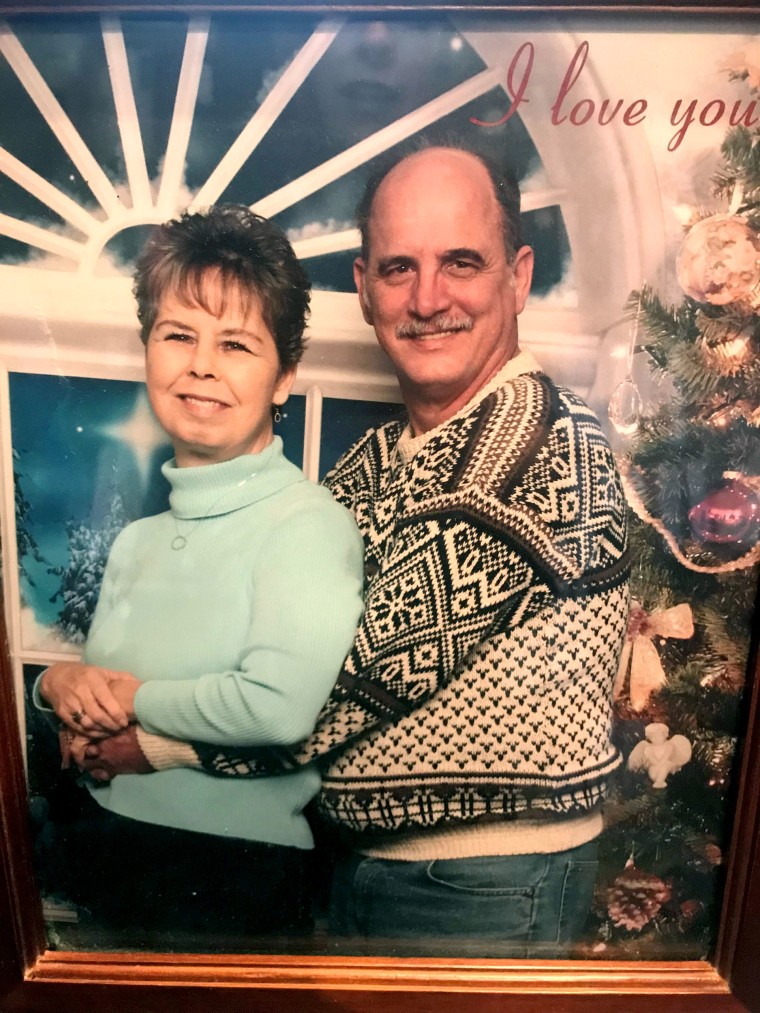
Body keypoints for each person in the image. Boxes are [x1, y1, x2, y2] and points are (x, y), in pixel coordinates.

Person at [73, 147, 631, 953]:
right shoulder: (374, 463)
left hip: (485, 886)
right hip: (368, 867)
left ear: (517, 275)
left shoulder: (534, 447)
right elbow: (283, 651)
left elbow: (338, 693)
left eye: (460, 263)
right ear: (365, 287)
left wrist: (143, 740)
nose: (428, 298)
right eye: (400, 267)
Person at [35, 205, 364, 941]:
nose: (202, 365)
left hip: (229, 881)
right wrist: (55, 685)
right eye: (177, 334)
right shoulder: (139, 540)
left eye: (237, 344)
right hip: (103, 853)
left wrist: (133, 697)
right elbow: (95, 708)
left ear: (285, 377)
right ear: (147, 348)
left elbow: (277, 709)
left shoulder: (305, 523)